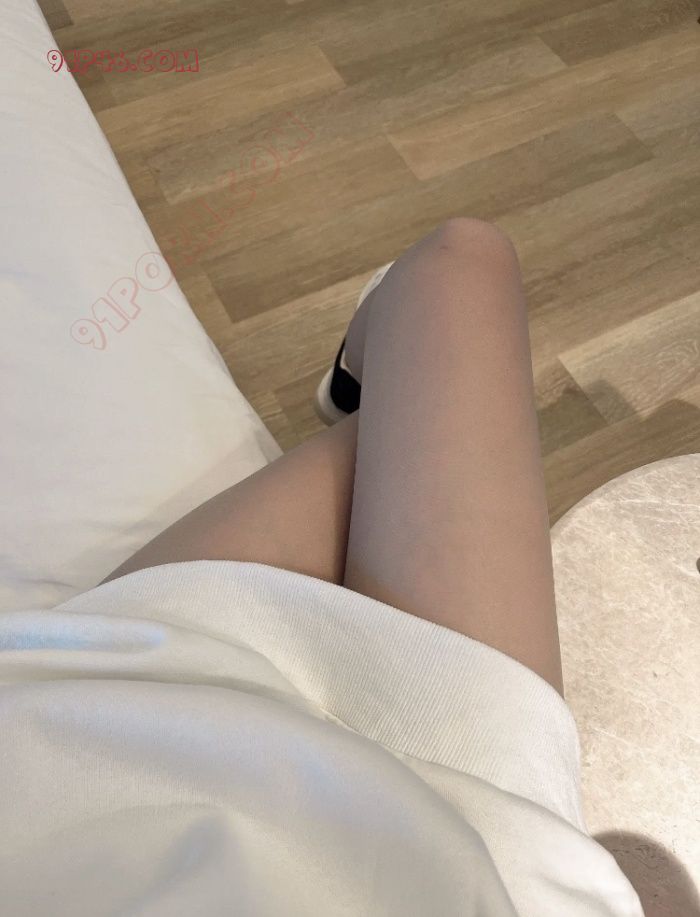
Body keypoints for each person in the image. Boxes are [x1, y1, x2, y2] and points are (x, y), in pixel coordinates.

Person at [1, 219, 643, 915]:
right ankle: (357, 384)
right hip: (470, 831)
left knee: (459, 276)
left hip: (139, 735)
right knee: (456, 291)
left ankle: (356, 383)